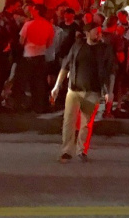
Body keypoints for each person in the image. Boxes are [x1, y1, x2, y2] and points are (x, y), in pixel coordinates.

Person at [50, 20, 117, 162]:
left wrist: (109, 91)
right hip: (74, 89)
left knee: (86, 123)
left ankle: (82, 150)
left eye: (100, 31)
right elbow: (66, 65)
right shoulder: (78, 46)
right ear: (87, 33)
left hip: (93, 91)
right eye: (96, 31)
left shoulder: (105, 49)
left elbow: (111, 71)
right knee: (69, 121)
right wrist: (57, 85)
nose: (99, 34)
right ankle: (66, 150)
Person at [16, 4, 55, 113]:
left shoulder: (28, 24)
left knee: (22, 82)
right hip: (41, 56)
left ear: (37, 11)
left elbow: (21, 41)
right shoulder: (48, 26)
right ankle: (38, 106)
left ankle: (19, 105)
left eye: (33, 9)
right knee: (38, 83)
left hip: (28, 56)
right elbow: (49, 43)